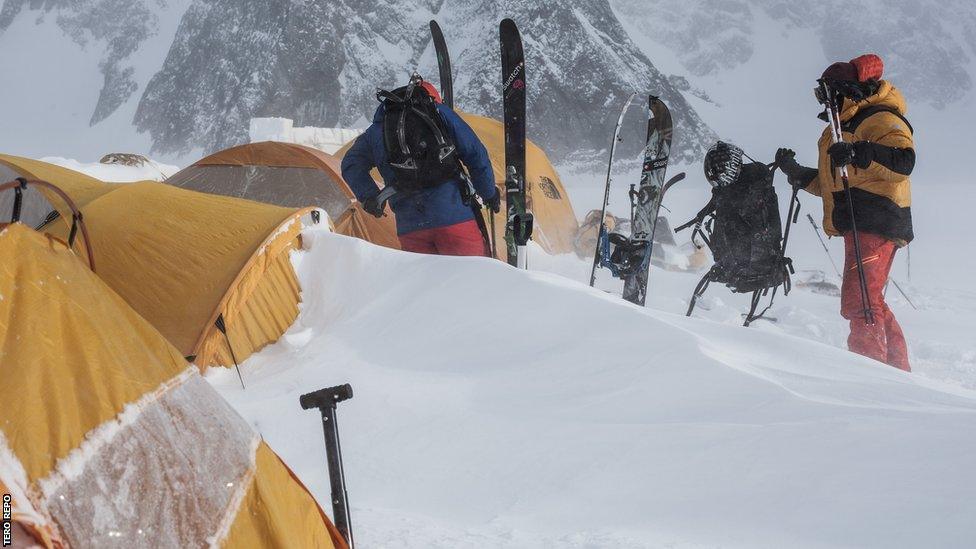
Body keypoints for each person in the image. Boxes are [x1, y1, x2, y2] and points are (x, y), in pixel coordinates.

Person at [776, 54, 914, 371]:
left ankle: (869, 370)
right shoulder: (843, 128)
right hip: (860, 221)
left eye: (829, 94)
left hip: (878, 220)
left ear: (849, 91)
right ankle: (896, 371)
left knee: (859, 299)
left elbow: (904, 162)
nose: (825, 103)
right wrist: (798, 173)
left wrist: (859, 152)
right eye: (821, 95)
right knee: (870, 298)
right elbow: (837, 184)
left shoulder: (881, 119)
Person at [341, 78, 500, 257]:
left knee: (428, 283)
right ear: (431, 98)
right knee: (476, 280)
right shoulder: (439, 113)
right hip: (454, 218)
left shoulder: (377, 130)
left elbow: (351, 164)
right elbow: (475, 153)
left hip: (410, 228)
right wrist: (488, 193)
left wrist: (370, 197)